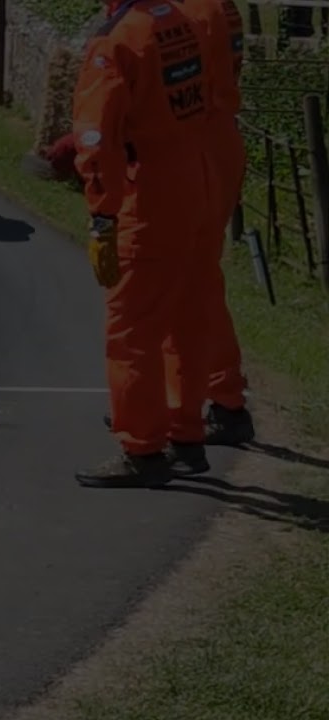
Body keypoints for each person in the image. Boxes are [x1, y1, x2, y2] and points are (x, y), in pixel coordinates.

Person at [71, 0, 221, 488]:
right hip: (196, 180)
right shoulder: (178, 19)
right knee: (186, 318)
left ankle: (142, 448)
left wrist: (102, 215)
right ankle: (186, 433)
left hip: (150, 196)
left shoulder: (116, 40)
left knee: (132, 330)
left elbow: (96, 138)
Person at [166, 0, 254, 446]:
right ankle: (212, 396)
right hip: (215, 138)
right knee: (194, 280)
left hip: (196, 142)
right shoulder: (215, 5)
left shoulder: (190, 12)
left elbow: (179, 87)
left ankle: (207, 401)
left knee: (182, 283)